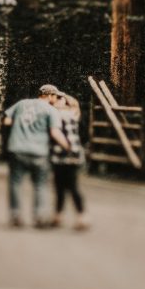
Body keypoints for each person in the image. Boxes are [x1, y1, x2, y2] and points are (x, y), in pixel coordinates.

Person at [3, 84, 69, 228]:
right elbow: (54, 133)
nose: (56, 99)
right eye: (55, 96)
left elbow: (6, 121)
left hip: (17, 148)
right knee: (40, 184)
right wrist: (67, 146)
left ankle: (15, 215)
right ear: (50, 95)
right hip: (38, 152)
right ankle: (39, 216)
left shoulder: (22, 104)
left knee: (15, 182)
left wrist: (20, 123)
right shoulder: (51, 111)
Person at [50, 93, 89, 231]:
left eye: (60, 99)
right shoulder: (56, 114)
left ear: (66, 103)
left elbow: (73, 104)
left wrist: (63, 97)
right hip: (59, 155)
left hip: (69, 155)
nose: (56, 100)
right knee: (60, 187)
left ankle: (82, 217)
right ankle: (58, 216)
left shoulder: (70, 113)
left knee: (71, 187)